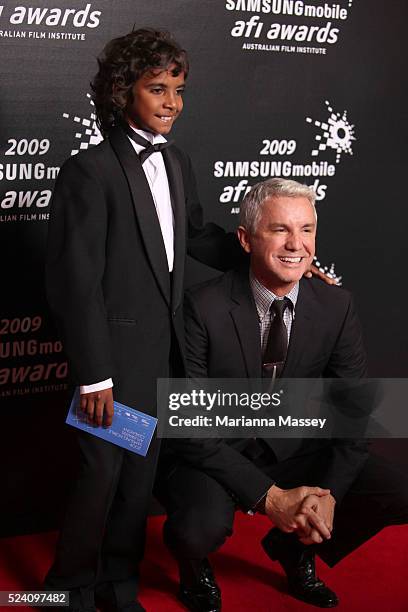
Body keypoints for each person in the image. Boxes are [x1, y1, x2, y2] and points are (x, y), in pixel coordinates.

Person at [44, 28, 246, 612]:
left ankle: (117, 584)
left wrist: (269, 255)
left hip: (161, 358)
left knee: (137, 480)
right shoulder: (91, 172)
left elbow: (197, 235)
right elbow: (74, 283)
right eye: (157, 89)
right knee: (100, 479)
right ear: (120, 91)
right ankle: (67, 591)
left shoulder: (176, 161)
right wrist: (94, 375)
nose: (171, 103)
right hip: (111, 365)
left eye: (178, 90)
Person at [156, 178, 408, 611]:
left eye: (306, 230)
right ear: (245, 239)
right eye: (280, 230)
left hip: (290, 444)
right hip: (217, 448)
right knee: (198, 528)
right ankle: (194, 565)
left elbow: (354, 414)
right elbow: (189, 423)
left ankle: (296, 549)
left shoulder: (336, 305)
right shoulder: (203, 306)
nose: (297, 245)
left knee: (397, 489)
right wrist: (270, 498)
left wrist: (324, 499)